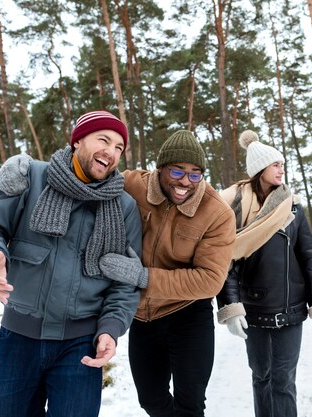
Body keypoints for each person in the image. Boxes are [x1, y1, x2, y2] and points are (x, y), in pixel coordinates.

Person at [0, 110, 144, 417]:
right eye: (103, 140)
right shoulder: (32, 179)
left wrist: (111, 329)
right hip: (19, 338)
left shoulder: (124, 208)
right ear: (78, 141)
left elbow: (126, 281)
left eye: (119, 148)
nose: (111, 152)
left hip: (81, 345)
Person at [117, 130, 236, 417]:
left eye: (195, 174)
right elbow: (89, 176)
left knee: (190, 404)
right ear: (160, 168)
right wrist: (33, 170)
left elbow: (210, 280)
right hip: (143, 316)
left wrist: (142, 278)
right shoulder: (133, 185)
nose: (186, 181)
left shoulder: (217, 213)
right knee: (151, 400)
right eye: (178, 171)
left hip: (188, 314)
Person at [216, 130, 312, 417]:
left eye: (283, 164)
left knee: (283, 381)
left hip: (290, 309)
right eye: (275, 164)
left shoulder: (293, 207)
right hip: (253, 309)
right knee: (261, 377)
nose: (281, 169)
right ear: (259, 170)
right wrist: (231, 306)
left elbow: (309, 258)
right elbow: (225, 260)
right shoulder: (235, 211)